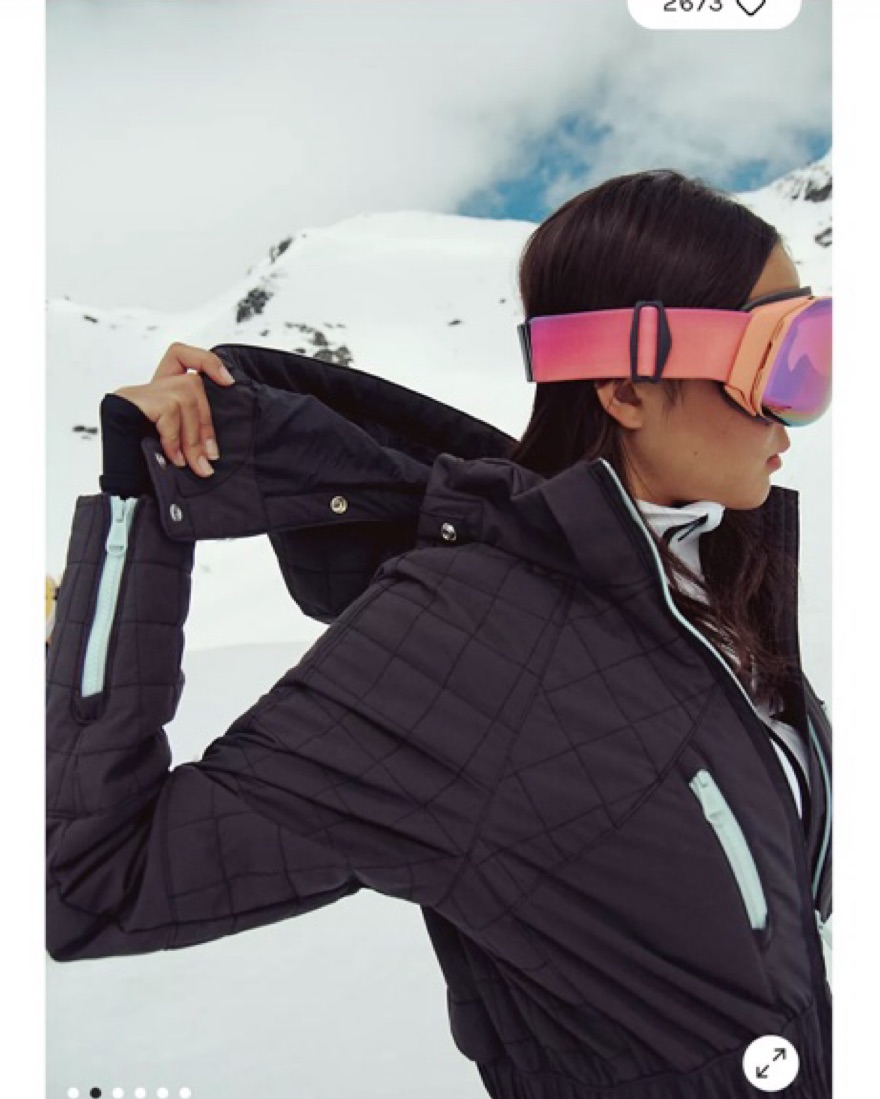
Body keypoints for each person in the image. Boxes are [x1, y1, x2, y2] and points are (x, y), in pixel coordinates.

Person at [46, 168, 832, 1098]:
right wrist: (139, 511)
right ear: (627, 387)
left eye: (818, 345)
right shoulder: (460, 643)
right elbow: (90, 881)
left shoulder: (710, 567)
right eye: (781, 360)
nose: (805, 402)